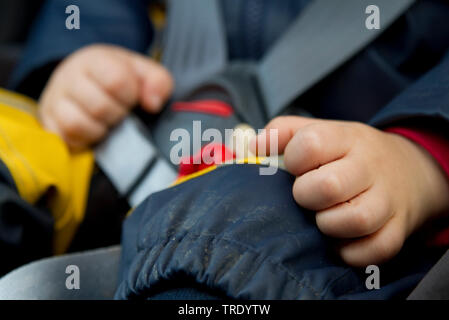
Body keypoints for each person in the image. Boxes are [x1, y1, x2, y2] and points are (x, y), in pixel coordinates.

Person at [2, 0, 449, 298]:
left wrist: (423, 158)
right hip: (135, 122)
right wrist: (77, 54)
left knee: (239, 240)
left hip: (348, 176)